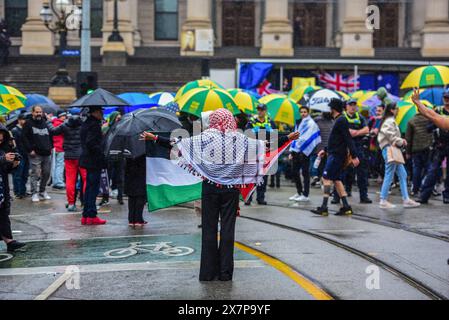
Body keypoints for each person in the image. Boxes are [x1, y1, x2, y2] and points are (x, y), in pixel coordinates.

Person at [141, 108, 299, 281]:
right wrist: (287, 138)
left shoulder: (205, 138)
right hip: (231, 191)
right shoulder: (241, 139)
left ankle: (208, 273)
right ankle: (225, 273)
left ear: (214, 121)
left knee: (208, 230)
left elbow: (177, 143)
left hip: (209, 188)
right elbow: (266, 145)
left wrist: (155, 138)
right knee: (227, 230)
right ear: (230, 120)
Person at [311, 98, 360, 217]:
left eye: (330, 107)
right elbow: (336, 139)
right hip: (334, 153)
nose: (328, 109)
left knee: (326, 178)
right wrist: (325, 150)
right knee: (337, 180)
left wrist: (354, 156)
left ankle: (324, 207)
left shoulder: (341, 120)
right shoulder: (338, 120)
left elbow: (347, 138)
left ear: (333, 108)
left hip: (336, 155)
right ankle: (346, 207)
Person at [377, 102, 420, 209]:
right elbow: (391, 136)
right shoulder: (389, 121)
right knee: (390, 174)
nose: (398, 110)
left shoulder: (389, 121)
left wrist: (399, 141)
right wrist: (401, 141)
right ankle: (383, 200)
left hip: (391, 149)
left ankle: (406, 199)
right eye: (397, 109)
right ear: (392, 110)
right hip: (390, 149)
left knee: (402, 174)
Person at [411, 90, 449, 204]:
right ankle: (424, 195)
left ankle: (447, 196)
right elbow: (430, 117)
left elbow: (431, 115)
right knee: (432, 171)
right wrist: (434, 125)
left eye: (448, 98)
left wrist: (418, 103)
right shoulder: (438, 110)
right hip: (440, 145)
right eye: (445, 97)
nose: (447, 100)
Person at [333, 99, 372, 204]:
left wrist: (355, 132)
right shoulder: (342, 117)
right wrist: (358, 132)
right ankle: (336, 197)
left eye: (354, 105)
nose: (353, 107)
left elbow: (367, 130)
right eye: (351, 105)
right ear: (346, 106)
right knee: (340, 173)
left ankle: (364, 197)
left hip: (358, 148)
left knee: (362, 174)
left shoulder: (360, 117)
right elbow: (345, 132)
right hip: (345, 149)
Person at [48, 112, 85, 212]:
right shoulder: (83, 126)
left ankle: (71, 203)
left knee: (70, 181)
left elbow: (53, 131)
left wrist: (49, 122)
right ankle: (86, 202)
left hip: (69, 156)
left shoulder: (65, 126)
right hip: (81, 156)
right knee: (86, 180)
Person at [79, 106, 107, 225]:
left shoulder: (86, 123)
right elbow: (91, 143)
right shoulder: (94, 125)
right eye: (101, 111)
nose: (102, 114)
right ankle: (91, 214)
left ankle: (86, 215)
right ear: (95, 112)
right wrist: (101, 152)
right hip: (93, 160)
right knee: (93, 188)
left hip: (86, 159)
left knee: (89, 188)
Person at [0, 124, 25, 252]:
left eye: (2, 135)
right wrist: (3, 159)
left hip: (1, 187)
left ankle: (9, 241)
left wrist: (14, 163)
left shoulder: (2, 149)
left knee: (3, 213)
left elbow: (5, 169)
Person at [245, 103, 276, 205]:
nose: (260, 111)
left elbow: (275, 136)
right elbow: (246, 134)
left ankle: (260, 197)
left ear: (265, 110)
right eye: (258, 109)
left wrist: (270, 131)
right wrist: (254, 131)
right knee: (252, 175)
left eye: (262, 109)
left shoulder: (270, 122)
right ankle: (249, 197)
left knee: (263, 176)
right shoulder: (252, 121)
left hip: (266, 152)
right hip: (254, 152)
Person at [22, 105, 53, 203]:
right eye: (37, 112)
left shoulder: (45, 122)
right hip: (35, 153)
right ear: (32, 113)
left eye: (40, 112)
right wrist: (30, 149)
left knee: (47, 173)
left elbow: (50, 134)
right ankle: (34, 193)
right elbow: (24, 137)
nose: (39, 114)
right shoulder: (28, 123)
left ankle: (42, 191)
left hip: (47, 152)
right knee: (34, 173)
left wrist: (51, 146)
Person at [289, 106, 317, 202]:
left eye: (305, 112)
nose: (303, 113)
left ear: (308, 112)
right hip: (296, 151)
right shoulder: (298, 122)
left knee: (305, 173)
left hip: (305, 152)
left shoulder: (311, 123)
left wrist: (303, 145)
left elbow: (311, 137)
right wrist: (291, 150)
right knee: (294, 172)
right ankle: (299, 192)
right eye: (301, 112)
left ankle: (306, 194)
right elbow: (294, 136)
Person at [405, 109, 433, 197]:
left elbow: (408, 138)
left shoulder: (411, 121)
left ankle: (415, 189)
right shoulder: (429, 119)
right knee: (429, 169)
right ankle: (427, 188)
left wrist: (408, 152)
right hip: (428, 148)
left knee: (417, 169)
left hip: (416, 149)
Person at [101, 111, 124, 205]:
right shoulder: (106, 128)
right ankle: (105, 197)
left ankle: (120, 197)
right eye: (117, 118)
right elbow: (104, 141)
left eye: (120, 119)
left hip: (120, 156)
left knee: (120, 178)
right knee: (107, 178)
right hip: (109, 156)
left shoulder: (123, 129)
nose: (119, 120)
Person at [311, 111, 334, 186]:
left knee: (327, 168)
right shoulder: (316, 120)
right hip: (319, 148)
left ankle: (325, 184)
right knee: (319, 166)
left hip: (330, 148)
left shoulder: (333, 120)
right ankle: (318, 179)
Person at [125, 156, 147, 227]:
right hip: (140, 172)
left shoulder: (128, 147)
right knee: (140, 195)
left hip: (130, 173)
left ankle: (131, 219)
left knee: (132, 196)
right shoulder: (142, 149)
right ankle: (138, 219)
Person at [11, 113, 29, 199]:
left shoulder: (25, 129)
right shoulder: (15, 130)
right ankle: (17, 191)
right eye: (23, 119)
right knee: (18, 174)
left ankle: (23, 191)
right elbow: (14, 145)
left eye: (25, 119)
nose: (24, 121)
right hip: (19, 154)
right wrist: (16, 156)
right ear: (19, 120)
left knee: (25, 174)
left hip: (26, 154)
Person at [51, 111, 67, 190]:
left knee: (54, 166)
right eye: (63, 116)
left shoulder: (52, 123)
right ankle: (59, 182)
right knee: (60, 165)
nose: (65, 117)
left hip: (53, 147)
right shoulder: (63, 124)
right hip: (60, 147)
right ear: (60, 116)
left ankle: (55, 181)